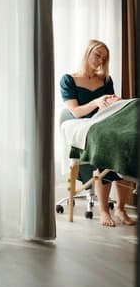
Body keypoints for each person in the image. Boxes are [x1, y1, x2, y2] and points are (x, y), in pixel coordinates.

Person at [59, 39, 135, 227]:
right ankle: (103, 210)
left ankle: (120, 207)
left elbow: (110, 107)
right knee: (106, 143)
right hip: (83, 123)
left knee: (127, 141)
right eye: (97, 55)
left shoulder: (106, 80)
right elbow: (75, 111)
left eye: (104, 58)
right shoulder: (68, 79)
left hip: (106, 121)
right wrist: (97, 102)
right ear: (87, 53)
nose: (101, 61)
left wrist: (113, 101)